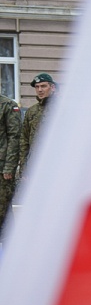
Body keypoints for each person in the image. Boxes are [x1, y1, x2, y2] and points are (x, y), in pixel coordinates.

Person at [19, 73, 56, 180]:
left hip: (56, 165)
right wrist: (24, 168)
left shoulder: (61, 109)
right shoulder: (31, 111)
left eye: (43, 86)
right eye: (37, 87)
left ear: (52, 87)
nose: (40, 90)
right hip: (34, 166)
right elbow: (24, 141)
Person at [0, 93, 20, 238]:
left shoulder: (7, 105)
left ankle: (9, 252)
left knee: (3, 211)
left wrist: (9, 167)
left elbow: (15, 137)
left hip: (2, 169)